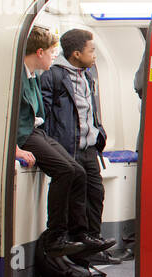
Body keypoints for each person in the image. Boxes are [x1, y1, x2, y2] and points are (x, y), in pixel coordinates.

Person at [15, 26, 96, 259]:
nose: (54, 57)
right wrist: (14, 150)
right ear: (39, 52)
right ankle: (55, 236)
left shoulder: (32, 77)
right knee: (65, 170)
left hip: (36, 132)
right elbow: (5, 120)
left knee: (78, 171)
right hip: (25, 137)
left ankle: (79, 234)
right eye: (52, 52)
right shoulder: (18, 78)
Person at [40, 29, 113, 255]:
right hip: (67, 146)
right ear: (76, 53)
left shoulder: (87, 76)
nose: (94, 56)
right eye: (91, 51)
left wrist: (98, 132)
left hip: (89, 146)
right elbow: (44, 113)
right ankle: (74, 243)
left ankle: (93, 241)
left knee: (95, 193)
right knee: (74, 197)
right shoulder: (53, 76)